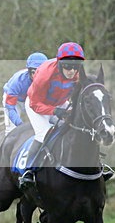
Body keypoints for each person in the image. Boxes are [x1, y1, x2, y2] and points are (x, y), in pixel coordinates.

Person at [17, 42, 84, 190]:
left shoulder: (77, 74)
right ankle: (28, 171)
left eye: (76, 66)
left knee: (78, 126)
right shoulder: (44, 74)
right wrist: (54, 111)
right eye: (67, 66)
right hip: (36, 104)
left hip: (60, 103)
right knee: (44, 134)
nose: (72, 71)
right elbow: (35, 103)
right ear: (60, 63)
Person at [2, 52, 48, 134]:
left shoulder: (49, 82)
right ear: (29, 71)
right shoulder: (18, 81)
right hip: (15, 101)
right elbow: (10, 107)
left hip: (31, 101)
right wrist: (20, 125)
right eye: (34, 72)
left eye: (41, 72)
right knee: (12, 130)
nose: (38, 76)